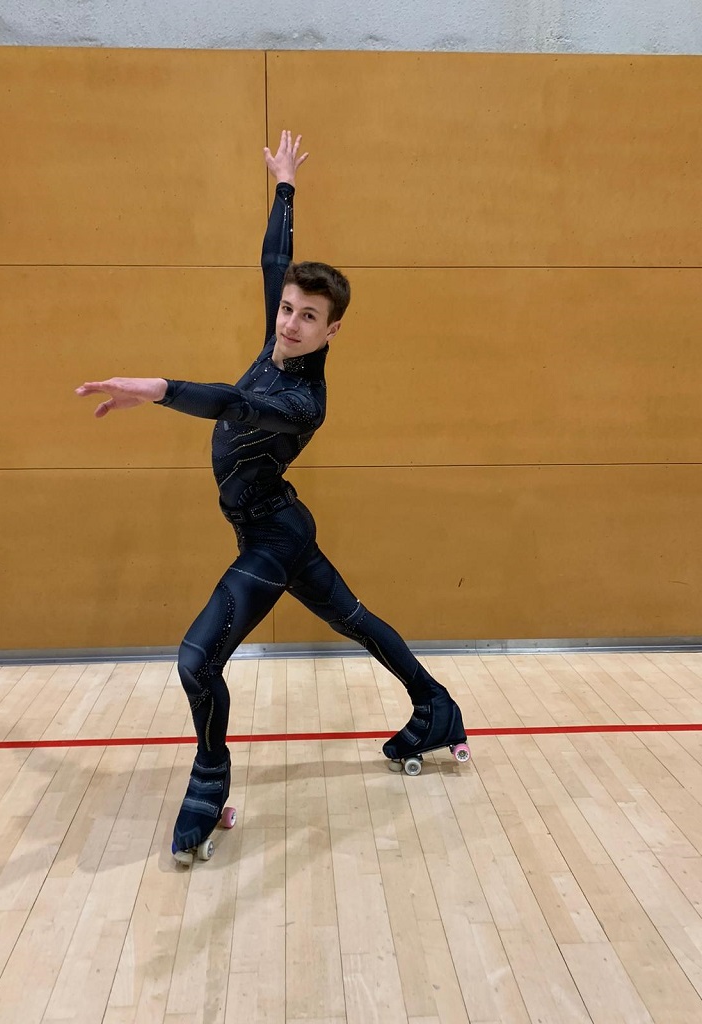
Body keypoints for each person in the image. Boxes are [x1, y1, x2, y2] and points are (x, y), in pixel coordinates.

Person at [76, 130, 469, 859]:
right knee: (354, 619)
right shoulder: (278, 341)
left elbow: (233, 404)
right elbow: (273, 262)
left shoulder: (301, 401)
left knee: (197, 661)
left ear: (332, 330)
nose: (289, 323)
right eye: (287, 309)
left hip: (271, 539)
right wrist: (285, 186)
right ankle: (436, 705)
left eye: (307, 317)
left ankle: (209, 778)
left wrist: (157, 389)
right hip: (280, 526)